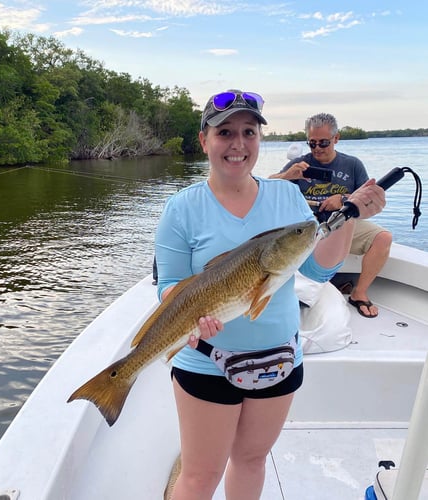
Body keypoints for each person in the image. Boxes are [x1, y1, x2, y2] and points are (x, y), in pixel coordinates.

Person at [154, 90, 385, 499]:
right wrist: (195, 321)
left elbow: (317, 268)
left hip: (279, 360)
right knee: (199, 475)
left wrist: (351, 215)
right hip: (207, 363)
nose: (238, 143)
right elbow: (170, 286)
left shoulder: (286, 195)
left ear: (260, 140)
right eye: (225, 132)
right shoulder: (181, 208)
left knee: (252, 460)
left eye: (249, 132)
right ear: (204, 140)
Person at [270, 113, 392, 318]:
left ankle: (359, 293)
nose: (317, 148)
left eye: (324, 143)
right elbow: (266, 188)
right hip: (308, 228)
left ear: (336, 138)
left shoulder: (352, 165)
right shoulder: (300, 164)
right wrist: (287, 176)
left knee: (383, 238)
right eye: (312, 143)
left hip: (344, 226)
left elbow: (367, 198)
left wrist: (343, 199)